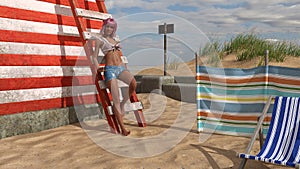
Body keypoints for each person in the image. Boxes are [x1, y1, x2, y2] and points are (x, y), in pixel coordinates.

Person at [92, 18, 136, 136]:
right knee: (115, 99)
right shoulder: (100, 40)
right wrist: (98, 68)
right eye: (107, 26)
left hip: (121, 68)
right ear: (104, 27)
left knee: (133, 83)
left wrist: (125, 66)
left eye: (111, 27)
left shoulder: (115, 39)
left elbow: (120, 55)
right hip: (110, 70)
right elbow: (94, 57)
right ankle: (123, 128)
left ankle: (123, 104)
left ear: (114, 29)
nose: (109, 29)